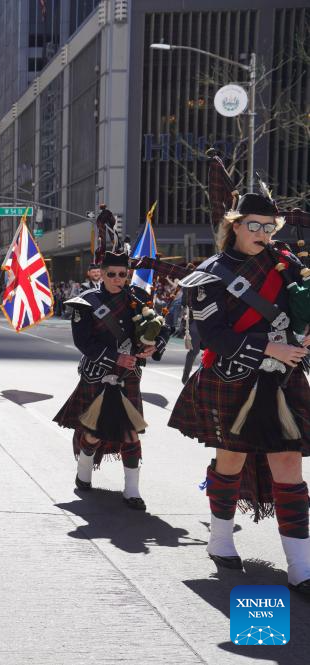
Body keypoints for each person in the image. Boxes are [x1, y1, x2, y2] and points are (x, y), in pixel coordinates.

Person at [169, 192, 310, 592]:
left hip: (284, 376)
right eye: (254, 226)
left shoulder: (288, 263)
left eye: (269, 227)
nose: (262, 233)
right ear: (235, 226)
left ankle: (301, 565)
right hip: (232, 376)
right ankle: (220, 538)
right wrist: (268, 347)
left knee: (289, 463)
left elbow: (301, 310)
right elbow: (211, 336)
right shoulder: (210, 273)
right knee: (231, 459)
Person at [53, 249, 171, 511]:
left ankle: (132, 490)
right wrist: (115, 357)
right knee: (93, 434)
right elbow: (83, 342)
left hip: (129, 376)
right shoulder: (86, 302)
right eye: (112, 274)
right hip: (98, 374)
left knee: (131, 434)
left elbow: (163, 327)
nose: (118, 278)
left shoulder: (138, 298)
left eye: (122, 274)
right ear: (102, 274)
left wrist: (155, 345)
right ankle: (84, 470)